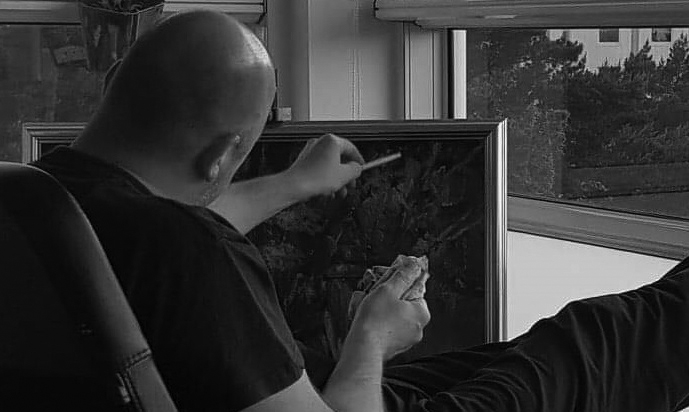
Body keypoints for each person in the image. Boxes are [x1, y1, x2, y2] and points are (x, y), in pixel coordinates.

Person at [32, 10, 689, 412]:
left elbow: (168, 234)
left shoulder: (45, 202)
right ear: (222, 154)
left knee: (514, 355)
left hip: (303, 391)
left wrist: (295, 182)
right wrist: (371, 337)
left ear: (115, 86)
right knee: (604, 335)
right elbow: (187, 247)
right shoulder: (186, 253)